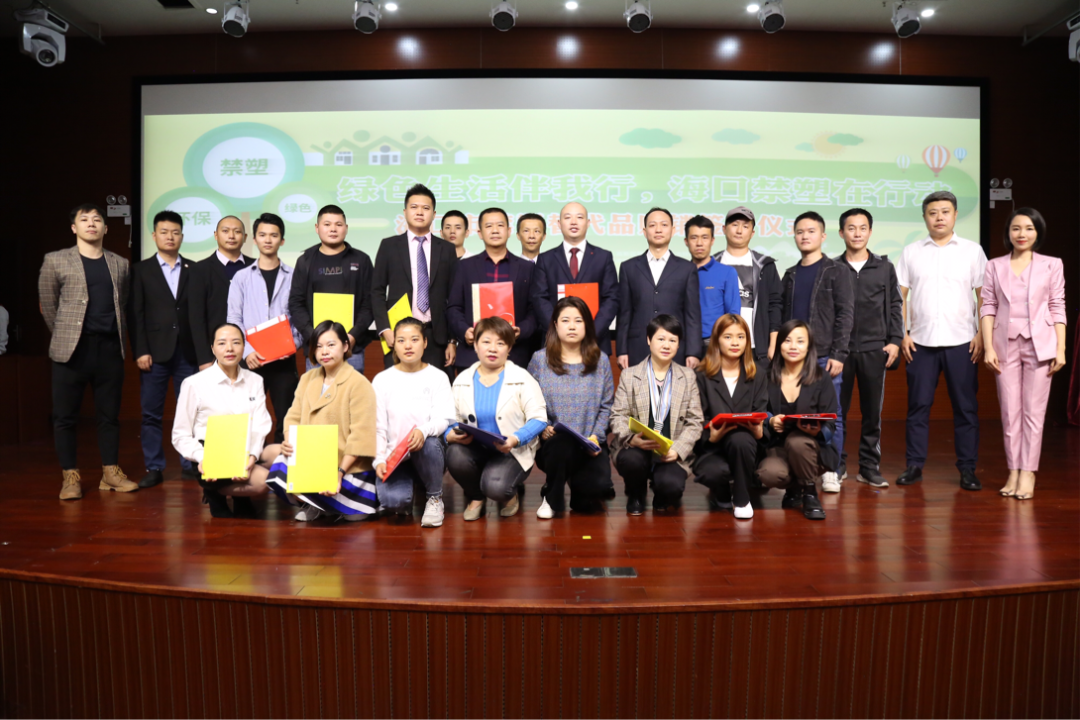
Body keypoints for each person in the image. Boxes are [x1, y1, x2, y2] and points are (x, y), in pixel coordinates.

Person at [39, 203, 136, 500]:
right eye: (85, 219)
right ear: (74, 228)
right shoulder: (55, 260)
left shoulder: (120, 263)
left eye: (97, 219)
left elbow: (123, 303)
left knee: (109, 416)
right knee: (65, 416)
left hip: (109, 348)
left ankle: (111, 473)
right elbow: (48, 305)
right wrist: (65, 335)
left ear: (106, 227)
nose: (91, 224)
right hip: (72, 350)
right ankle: (70, 476)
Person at [896, 191, 987, 490]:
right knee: (918, 406)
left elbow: (984, 296)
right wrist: (902, 333)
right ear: (924, 217)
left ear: (955, 215)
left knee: (966, 408)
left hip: (963, 342)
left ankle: (968, 469)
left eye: (945, 212)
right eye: (933, 212)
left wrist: (981, 334)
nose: (939, 217)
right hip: (920, 343)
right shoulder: (911, 252)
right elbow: (900, 296)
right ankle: (914, 466)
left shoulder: (972, 251)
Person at [981, 208, 1066, 500]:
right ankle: (1013, 471)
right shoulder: (994, 265)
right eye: (1016, 228)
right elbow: (988, 306)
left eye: (1029, 228)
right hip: (1004, 345)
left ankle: (1028, 472)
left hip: (1041, 345)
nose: (1022, 234)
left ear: (1038, 233)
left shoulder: (1052, 264)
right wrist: (988, 346)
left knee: (1033, 412)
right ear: (1008, 232)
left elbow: (1057, 305)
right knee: (1009, 412)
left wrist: (1060, 348)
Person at [264, 320, 379, 521]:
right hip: (314, 461)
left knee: (351, 517)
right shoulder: (307, 378)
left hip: (347, 469)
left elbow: (361, 437)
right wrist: (290, 442)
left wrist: (339, 472)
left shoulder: (359, 384)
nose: (324, 351)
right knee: (279, 467)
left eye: (331, 345)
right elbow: (292, 416)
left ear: (345, 346)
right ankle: (318, 504)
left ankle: (330, 504)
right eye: (318, 346)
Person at [445, 317, 547, 521]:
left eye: (500, 343)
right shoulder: (462, 379)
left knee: (496, 487)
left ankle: (508, 496)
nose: (493, 348)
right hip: (475, 448)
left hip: (511, 451)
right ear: (475, 345)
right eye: (486, 342)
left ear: (509, 348)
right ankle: (476, 497)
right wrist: (449, 434)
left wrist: (516, 439)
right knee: (454, 454)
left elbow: (539, 419)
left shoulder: (522, 378)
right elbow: (450, 419)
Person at [780, 211, 853, 493]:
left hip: (824, 355)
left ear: (823, 236)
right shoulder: (790, 274)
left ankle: (831, 469)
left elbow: (845, 314)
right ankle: (800, 468)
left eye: (811, 231)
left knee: (831, 414)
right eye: (800, 231)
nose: (805, 236)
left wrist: (839, 353)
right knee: (797, 414)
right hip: (792, 357)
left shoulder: (837, 271)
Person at [171, 323, 274, 518]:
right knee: (261, 482)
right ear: (212, 348)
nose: (229, 349)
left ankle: (241, 496)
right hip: (211, 453)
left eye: (236, 342)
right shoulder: (194, 383)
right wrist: (203, 457)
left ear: (244, 346)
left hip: (245, 447)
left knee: (279, 454)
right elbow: (180, 435)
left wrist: (252, 455)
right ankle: (214, 493)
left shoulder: (255, 380)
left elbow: (260, 424)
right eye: (222, 343)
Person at [527, 296, 615, 519]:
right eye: (565, 320)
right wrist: (543, 427)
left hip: (590, 445)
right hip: (553, 444)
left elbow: (607, 406)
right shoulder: (540, 360)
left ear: (587, 325)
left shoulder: (601, 360)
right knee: (562, 444)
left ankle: (574, 485)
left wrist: (596, 436)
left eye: (578, 320)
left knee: (593, 495)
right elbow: (529, 402)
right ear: (556, 325)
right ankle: (552, 496)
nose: (572, 326)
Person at [129, 210, 199, 487]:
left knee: (190, 411)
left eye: (175, 232)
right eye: (164, 232)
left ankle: (189, 464)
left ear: (182, 236)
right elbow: (136, 314)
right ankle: (154, 466)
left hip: (188, 352)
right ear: (154, 235)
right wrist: (140, 350)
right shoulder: (140, 270)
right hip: (154, 353)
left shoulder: (194, 269)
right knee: (151, 413)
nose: (170, 237)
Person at [835, 208, 903, 489]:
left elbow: (895, 304)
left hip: (875, 349)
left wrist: (895, 340)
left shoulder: (884, 267)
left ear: (870, 232)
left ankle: (869, 467)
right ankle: (836, 465)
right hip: (840, 352)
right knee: (836, 412)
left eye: (863, 228)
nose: (857, 233)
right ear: (842, 233)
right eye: (851, 228)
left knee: (872, 413)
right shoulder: (833, 268)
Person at [610, 314, 703, 515]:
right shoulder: (630, 375)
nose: (666, 345)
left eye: (672, 340)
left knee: (671, 486)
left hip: (670, 450)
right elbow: (617, 415)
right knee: (632, 461)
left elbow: (695, 421)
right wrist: (631, 439)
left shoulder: (687, 376)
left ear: (679, 344)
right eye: (661, 339)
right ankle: (636, 493)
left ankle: (661, 492)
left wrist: (678, 449)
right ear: (648, 340)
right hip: (637, 448)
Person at [372, 317, 456, 527]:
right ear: (394, 344)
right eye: (401, 340)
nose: (408, 346)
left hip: (426, 452)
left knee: (430, 441)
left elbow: (443, 420)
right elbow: (378, 427)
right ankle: (410, 488)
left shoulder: (438, 377)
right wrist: (379, 459)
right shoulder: (382, 380)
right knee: (394, 502)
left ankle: (434, 497)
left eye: (414, 339)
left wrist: (422, 430)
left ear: (425, 343)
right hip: (395, 457)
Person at [226, 212, 302, 444]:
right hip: (251, 361)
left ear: (282, 240)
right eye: (262, 235)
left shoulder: (294, 276)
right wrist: (247, 352)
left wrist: (292, 345)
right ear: (254, 239)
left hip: (284, 361)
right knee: (246, 418)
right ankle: (248, 462)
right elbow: (234, 319)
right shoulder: (241, 277)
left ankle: (281, 462)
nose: (268, 240)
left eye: (274, 235)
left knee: (287, 418)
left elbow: (301, 317)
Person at [755, 320, 838, 521]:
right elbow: (758, 411)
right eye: (787, 340)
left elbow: (831, 424)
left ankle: (810, 493)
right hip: (778, 446)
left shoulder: (821, 378)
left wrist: (816, 430)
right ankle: (795, 487)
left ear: (809, 346)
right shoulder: (765, 376)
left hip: (812, 448)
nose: (793, 346)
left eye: (800, 341)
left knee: (797, 441)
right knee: (769, 473)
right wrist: (770, 421)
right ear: (779, 344)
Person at [371, 184, 458, 374]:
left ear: (434, 214)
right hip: (399, 335)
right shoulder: (389, 246)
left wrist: (452, 341)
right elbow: (376, 291)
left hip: (436, 336)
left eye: (425, 208)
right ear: (405, 212)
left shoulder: (446, 249)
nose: (419, 212)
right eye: (414, 207)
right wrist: (385, 329)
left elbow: (454, 297)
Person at [446, 207, 539, 369]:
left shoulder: (527, 268)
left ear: (509, 231)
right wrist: (464, 330)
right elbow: (454, 307)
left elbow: (534, 309)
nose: (495, 230)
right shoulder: (464, 267)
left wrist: (521, 330)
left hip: (515, 354)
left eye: (500, 225)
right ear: (480, 233)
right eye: (489, 226)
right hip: (473, 355)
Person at [693, 314, 766, 519]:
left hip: (746, 446)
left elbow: (762, 410)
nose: (735, 343)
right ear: (716, 340)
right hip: (713, 447)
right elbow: (697, 417)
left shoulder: (758, 374)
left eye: (741, 337)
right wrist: (711, 436)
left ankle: (742, 499)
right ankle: (721, 489)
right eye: (728, 337)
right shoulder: (701, 375)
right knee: (712, 472)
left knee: (740, 438)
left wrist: (759, 431)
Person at [288, 204, 374, 373]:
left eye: (338, 224)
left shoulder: (361, 260)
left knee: (351, 391)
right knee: (317, 391)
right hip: (317, 348)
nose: (333, 229)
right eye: (327, 224)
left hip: (351, 349)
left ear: (346, 228)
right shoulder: (305, 261)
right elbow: (296, 303)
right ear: (317, 228)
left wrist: (352, 336)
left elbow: (370, 303)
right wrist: (313, 336)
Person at [616, 208, 702, 369]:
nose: (658, 229)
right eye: (652, 225)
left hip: (676, 348)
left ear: (673, 230)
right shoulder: (628, 267)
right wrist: (621, 350)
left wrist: (693, 352)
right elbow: (624, 314)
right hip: (638, 347)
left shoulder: (687, 269)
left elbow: (692, 315)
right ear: (644, 231)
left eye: (664, 225)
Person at [532, 202, 620, 356]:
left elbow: (611, 298)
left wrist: (591, 332)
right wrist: (559, 331)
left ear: (588, 223)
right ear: (559, 224)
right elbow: (540, 299)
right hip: (555, 344)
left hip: (595, 342)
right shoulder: (546, 259)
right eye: (567, 217)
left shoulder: (603, 257)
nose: (573, 222)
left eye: (579, 217)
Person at [714, 206, 782, 363]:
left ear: (752, 233)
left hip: (756, 349)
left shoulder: (765, 265)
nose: (739, 231)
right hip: (717, 348)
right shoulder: (711, 264)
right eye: (734, 225)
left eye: (745, 226)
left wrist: (773, 344)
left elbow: (775, 305)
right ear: (724, 229)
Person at [188, 216, 255, 370]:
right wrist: (204, 358)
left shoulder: (255, 267)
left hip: (252, 352)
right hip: (216, 353)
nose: (231, 236)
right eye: (225, 231)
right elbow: (196, 319)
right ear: (216, 235)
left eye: (237, 232)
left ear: (245, 237)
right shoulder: (200, 270)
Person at [684, 215, 740, 347]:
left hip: (714, 342)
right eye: (694, 237)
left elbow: (733, 315)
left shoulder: (727, 272)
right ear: (686, 241)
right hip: (685, 340)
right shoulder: (680, 272)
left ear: (712, 240)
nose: (699, 243)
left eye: (705, 237)